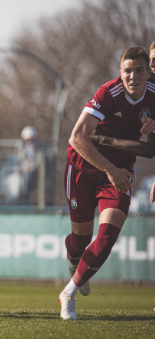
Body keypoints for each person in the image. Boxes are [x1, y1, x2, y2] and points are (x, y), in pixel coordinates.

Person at [59, 46, 155, 321]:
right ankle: (75, 259)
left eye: (139, 70)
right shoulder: (109, 93)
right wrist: (111, 169)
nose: (133, 76)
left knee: (107, 236)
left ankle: (68, 293)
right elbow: (77, 137)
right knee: (80, 240)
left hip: (120, 172)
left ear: (148, 72)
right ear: (120, 73)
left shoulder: (154, 96)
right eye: (127, 71)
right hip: (81, 169)